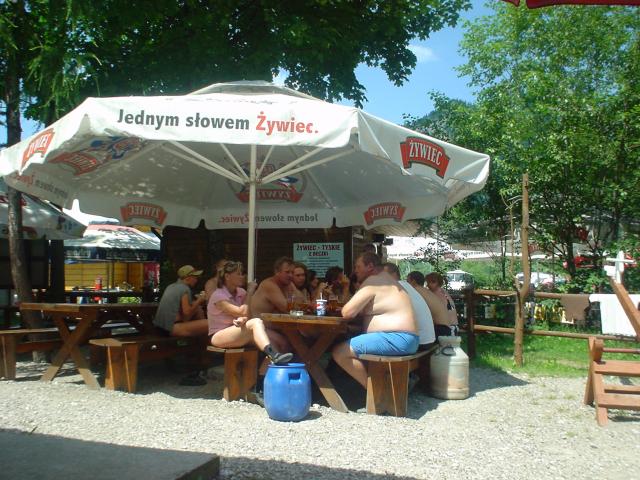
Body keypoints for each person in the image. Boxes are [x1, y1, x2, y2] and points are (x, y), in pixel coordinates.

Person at [332, 252, 418, 388]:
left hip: (397, 338)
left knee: (341, 352)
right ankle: (378, 389)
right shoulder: (387, 280)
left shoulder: (373, 281)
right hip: (406, 339)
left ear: (370, 266)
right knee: (350, 342)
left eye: (358, 267)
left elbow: (347, 312)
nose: (355, 271)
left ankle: (376, 394)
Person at [209, 261, 293, 365]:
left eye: (242, 274)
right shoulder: (218, 296)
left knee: (282, 342)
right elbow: (241, 312)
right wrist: (249, 292)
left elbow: (248, 316)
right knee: (256, 322)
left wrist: (242, 319)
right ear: (227, 276)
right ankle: (273, 354)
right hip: (219, 335)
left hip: (239, 331)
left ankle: (265, 371)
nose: (242, 277)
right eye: (238, 274)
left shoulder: (241, 292)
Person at [383, 263, 435, 349]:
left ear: (393, 274)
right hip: (427, 340)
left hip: (418, 342)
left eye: (382, 274)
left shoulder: (395, 287)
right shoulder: (406, 285)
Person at [248, 257, 295, 352]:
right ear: (277, 272)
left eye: (292, 272)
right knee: (283, 343)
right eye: (287, 272)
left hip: (274, 327)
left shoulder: (288, 285)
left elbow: (303, 302)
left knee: (300, 339)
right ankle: (271, 362)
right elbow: (286, 308)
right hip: (257, 328)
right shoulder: (269, 285)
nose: (290, 275)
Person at [153, 265, 209, 337]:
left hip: (160, 328)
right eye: (195, 277)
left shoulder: (171, 286)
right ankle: (205, 341)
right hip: (171, 328)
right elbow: (187, 313)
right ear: (188, 278)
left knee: (198, 309)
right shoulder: (184, 289)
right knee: (211, 323)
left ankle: (200, 341)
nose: (196, 280)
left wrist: (196, 303)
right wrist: (199, 300)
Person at [425, 271, 459, 336]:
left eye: (432, 282)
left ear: (438, 283)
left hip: (446, 328)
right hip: (452, 327)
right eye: (428, 282)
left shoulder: (436, 294)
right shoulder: (443, 292)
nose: (428, 285)